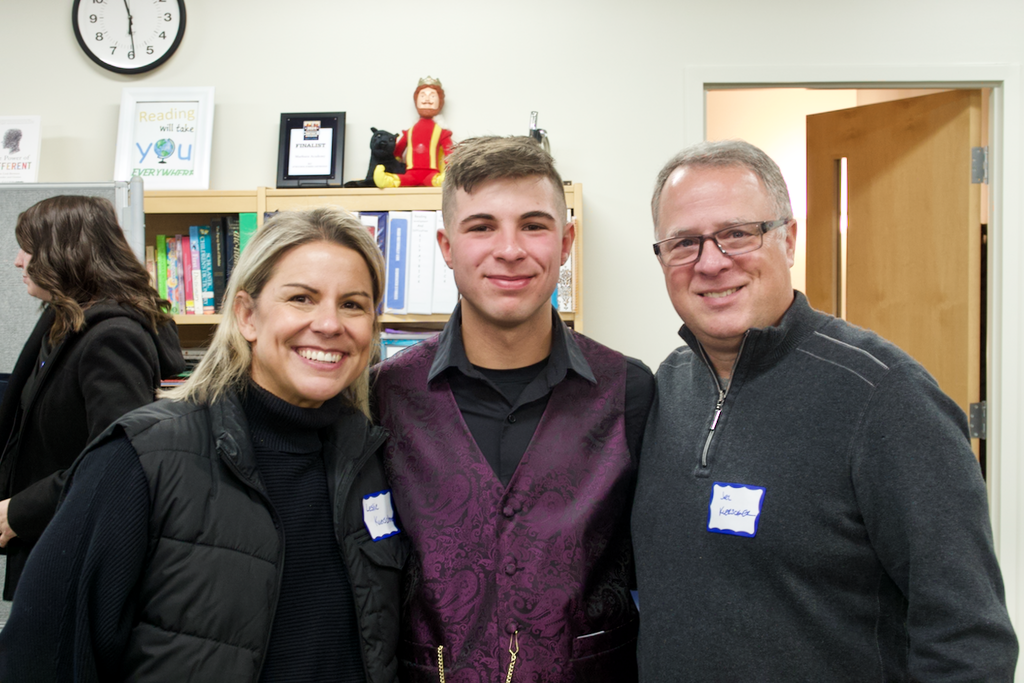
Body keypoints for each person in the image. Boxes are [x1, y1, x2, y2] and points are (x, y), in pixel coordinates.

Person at [632, 139, 1018, 681]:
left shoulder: (886, 398)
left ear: (789, 239)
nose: (711, 262)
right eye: (684, 242)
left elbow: (968, 637)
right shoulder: (665, 388)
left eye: (738, 234)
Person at [0, 207, 408, 683]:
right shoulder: (140, 458)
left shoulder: (376, 461)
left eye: (353, 305)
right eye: (301, 298)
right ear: (247, 315)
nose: (329, 324)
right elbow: (41, 656)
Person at [373, 136, 654, 681]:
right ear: (446, 246)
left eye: (534, 224)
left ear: (566, 241)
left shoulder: (629, 391)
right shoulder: (383, 396)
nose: (509, 249)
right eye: (481, 227)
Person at [0, 194, 185, 601]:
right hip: (53, 544)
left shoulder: (112, 338)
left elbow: (115, 464)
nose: (18, 261)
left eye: (28, 249)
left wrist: (20, 511)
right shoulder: (62, 322)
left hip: (78, 556)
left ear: (63, 253)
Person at [374, 76, 453, 188]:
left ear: (439, 101)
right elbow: (398, 151)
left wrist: (450, 167)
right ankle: (388, 179)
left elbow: (449, 152)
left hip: (432, 172)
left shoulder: (441, 131)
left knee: (435, 180)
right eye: (422, 96)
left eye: (432, 96)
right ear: (416, 100)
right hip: (411, 173)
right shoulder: (410, 131)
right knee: (403, 180)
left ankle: (443, 180)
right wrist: (392, 164)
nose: (427, 100)